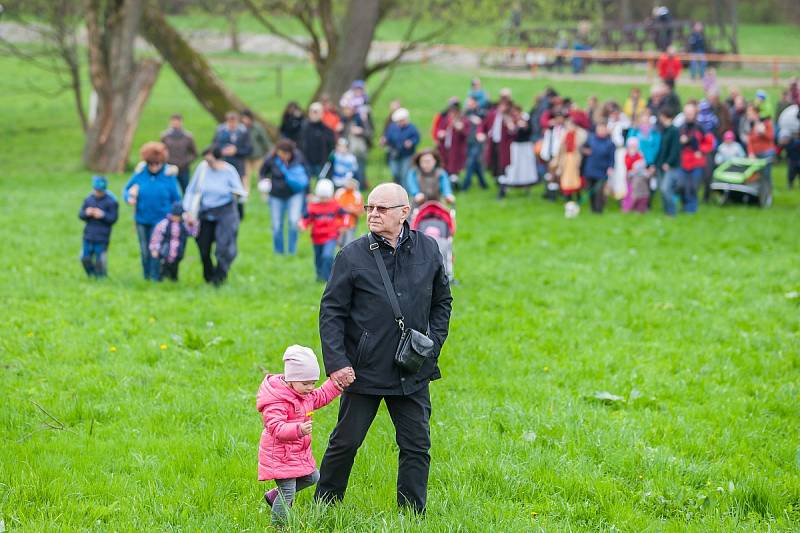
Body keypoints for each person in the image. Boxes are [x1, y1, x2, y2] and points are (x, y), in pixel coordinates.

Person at [315, 183, 453, 514]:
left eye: (382, 209)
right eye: (370, 208)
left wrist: (431, 347)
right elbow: (331, 311)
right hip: (363, 369)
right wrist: (337, 362)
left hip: (412, 368)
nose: (373, 214)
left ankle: (411, 515)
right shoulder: (352, 255)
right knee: (345, 443)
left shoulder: (429, 249)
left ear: (404, 213)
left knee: (417, 446)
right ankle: (324, 507)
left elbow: (442, 302)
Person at [257, 345, 342, 526]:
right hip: (279, 453)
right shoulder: (277, 399)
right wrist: (298, 429)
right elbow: (275, 427)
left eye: (313, 382)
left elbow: (320, 396)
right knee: (287, 491)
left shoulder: (303, 392)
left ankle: (273, 496)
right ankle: (278, 526)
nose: (311, 388)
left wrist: (335, 384)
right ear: (291, 379)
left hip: (295, 453)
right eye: (306, 383)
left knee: (312, 477)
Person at [183, 146, 246, 285]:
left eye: (211, 160)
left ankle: (219, 278)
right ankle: (208, 275)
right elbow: (191, 190)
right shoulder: (203, 169)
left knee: (223, 247)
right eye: (206, 160)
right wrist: (187, 210)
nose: (208, 163)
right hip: (206, 212)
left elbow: (240, 192)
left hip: (225, 211)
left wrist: (235, 193)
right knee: (203, 247)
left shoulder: (229, 170)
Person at [123, 142, 182, 281]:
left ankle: (156, 277)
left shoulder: (169, 176)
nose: (154, 167)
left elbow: (177, 198)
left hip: (160, 220)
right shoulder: (140, 173)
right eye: (151, 164)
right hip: (142, 219)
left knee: (156, 250)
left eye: (157, 164)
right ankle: (146, 276)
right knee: (144, 250)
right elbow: (127, 190)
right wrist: (129, 197)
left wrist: (176, 214)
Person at [260, 139, 309, 255]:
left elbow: (306, 174)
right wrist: (264, 186)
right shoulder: (271, 158)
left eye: (286, 153)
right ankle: (279, 252)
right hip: (276, 195)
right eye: (281, 153)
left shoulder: (299, 157)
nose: (283, 156)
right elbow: (262, 172)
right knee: (277, 225)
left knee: (293, 222)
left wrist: (308, 193)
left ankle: (292, 251)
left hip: (295, 194)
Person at [300, 179, 343, 282]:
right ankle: (319, 276)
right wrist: (303, 225)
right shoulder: (313, 206)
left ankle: (329, 278)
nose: (324, 200)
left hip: (330, 236)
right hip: (317, 237)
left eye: (326, 197)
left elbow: (344, 215)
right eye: (321, 197)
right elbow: (306, 218)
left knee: (327, 256)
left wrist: (343, 225)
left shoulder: (335, 205)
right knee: (318, 258)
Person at [78, 175, 118, 278]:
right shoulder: (89, 199)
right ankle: (91, 275)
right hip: (88, 235)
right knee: (84, 258)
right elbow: (81, 214)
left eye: (100, 191)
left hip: (102, 237)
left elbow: (113, 219)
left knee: (100, 260)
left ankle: (101, 277)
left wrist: (102, 215)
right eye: (96, 190)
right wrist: (87, 213)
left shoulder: (111, 202)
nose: (97, 193)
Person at [678, 103, 715, 213]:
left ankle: (691, 209)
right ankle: (685, 204)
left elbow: (709, 142)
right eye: (687, 113)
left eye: (690, 113)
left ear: (695, 114)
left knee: (693, 186)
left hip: (696, 161)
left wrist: (701, 151)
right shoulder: (680, 128)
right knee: (681, 185)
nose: (688, 115)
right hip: (683, 160)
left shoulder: (700, 127)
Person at [148, 202, 198, 282]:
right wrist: (154, 248)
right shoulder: (164, 224)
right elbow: (156, 237)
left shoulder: (184, 225)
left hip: (178, 253)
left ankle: (173, 282)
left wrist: (192, 223)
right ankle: (160, 281)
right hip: (165, 253)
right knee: (163, 269)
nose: (177, 218)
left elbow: (193, 233)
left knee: (174, 271)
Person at [581, 122, 615, 214]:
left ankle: (599, 209)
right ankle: (592, 208)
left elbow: (612, 157)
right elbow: (582, 148)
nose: (601, 131)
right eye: (599, 129)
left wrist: (610, 167)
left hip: (602, 169)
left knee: (599, 190)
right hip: (591, 167)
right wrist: (585, 151)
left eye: (603, 129)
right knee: (591, 189)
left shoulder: (610, 143)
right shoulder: (591, 139)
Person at [483, 90, 516, 184]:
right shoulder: (493, 113)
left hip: (505, 143)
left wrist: (509, 123)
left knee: (503, 162)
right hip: (494, 140)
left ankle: (503, 180)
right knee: (494, 160)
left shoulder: (510, 115)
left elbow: (513, 130)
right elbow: (485, 124)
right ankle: (497, 177)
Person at [552, 115, 587, 202]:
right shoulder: (564, 135)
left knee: (576, 179)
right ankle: (568, 198)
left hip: (575, 159)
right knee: (566, 179)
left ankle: (578, 196)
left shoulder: (580, 134)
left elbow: (579, 146)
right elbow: (561, 149)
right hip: (566, 160)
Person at [160, 114, 197, 193]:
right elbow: (161, 151)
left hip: (183, 168)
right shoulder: (165, 136)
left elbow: (194, 153)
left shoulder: (188, 137)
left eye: (177, 122)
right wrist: (166, 161)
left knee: (186, 190)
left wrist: (186, 162)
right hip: (169, 168)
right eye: (174, 122)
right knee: (168, 190)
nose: (175, 124)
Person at [298, 102, 336, 178]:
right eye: (311, 111)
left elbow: (332, 148)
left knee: (321, 185)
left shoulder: (327, 130)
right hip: (306, 161)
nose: (313, 114)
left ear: (322, 113)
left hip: (321, 163)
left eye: (316, 111)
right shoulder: (303, 128)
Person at [383, 108, 420, 186]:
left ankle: (405, 191)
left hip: (406, 154)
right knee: (395, 172)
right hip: (394, 153)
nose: (402, 122)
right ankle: (396, 189)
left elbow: (416, 138)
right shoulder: (392, 128)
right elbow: (388, 137)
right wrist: (385, 140)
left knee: (405, 173)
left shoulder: (412, 128)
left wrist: (411, 142)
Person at [211, 111, 252, 179]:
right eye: (230, 122)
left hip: (238, 165)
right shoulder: (220, 131)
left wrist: (236, 151)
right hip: (222, 164)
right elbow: (214, 146)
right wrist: (222, 151)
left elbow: (249, 149)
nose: (232, 124)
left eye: (234, 122)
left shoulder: (243, 132)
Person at [655, 111, 682, 216]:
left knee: (666, 189)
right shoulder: (664, 130)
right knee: (662, 189)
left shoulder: (674, 131)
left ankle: (672, 212)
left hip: (670, 166)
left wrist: (668, 162)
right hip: (660, 164)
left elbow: (675, 149)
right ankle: (666, 211)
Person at [435, 98, 467, 186]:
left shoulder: (462, 120)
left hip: (456, 149)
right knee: (445, 167)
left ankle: (454, 184)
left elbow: (465, 135)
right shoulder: (445, 120)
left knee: (454, 169)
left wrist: (460, 129)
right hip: (445, 148)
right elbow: (438, 129)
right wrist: (440, 134)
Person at [241, 109, 272, 196]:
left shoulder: (257, 127)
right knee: (246, 176)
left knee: (261, 176)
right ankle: (245, 194)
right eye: (243, 118)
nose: (245, 121)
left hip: (258, 156)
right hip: (246, 157)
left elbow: (265, 140)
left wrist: (270, 151)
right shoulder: (241, 128)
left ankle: (264, 194)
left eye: (246, 118)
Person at [340, 104, 371, 188]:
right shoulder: (344, 120)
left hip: (359, 150)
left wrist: (361, 131)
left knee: (360, 168)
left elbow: (369, 133)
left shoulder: (359, 119)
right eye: (346, 109)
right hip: (348, 150)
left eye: (349, 109)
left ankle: (361, 187)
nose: (347, 111)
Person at [746, 104, 776, 190]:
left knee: (766, 174)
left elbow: (771, 137)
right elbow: (750, 141)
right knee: (755, 175)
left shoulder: (766, 123)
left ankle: (767, 193)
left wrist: (763, 132)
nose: (749, 115)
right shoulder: (750, 125)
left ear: (756, 113)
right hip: (756, 154)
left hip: (766, 153)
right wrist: (751, 153)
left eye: (750, 113)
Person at [461, 96, 488, 191]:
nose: (469, 105)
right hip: (468, 142)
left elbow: (485, 124)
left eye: (471, 103)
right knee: (476, 164)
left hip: (477, 142)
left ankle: (465, 186)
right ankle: (483, 184)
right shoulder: (465, 113)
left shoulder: (481, 113)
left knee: (471, 162)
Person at [334, 177, 363, 247]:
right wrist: (344, 209)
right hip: (338, 224)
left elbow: (360, 211)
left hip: (351, 224)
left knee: (348, 245)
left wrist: (352, 210)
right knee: (339, 243)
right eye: (348, 183)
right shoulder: (339, 192)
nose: (349, 185)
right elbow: (333, 207)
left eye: (351, 183)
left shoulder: (357, 195)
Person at [622, 137, 645, 213]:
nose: (632, 148)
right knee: (628, 193)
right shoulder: (626, 155)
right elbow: (626, 165)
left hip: (637, 177)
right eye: (631, 146)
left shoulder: (639, 155)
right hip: (628, 177)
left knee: (638, 192)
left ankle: (638, 208)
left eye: (634, 146)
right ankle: (627, 208)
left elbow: (641, 164)